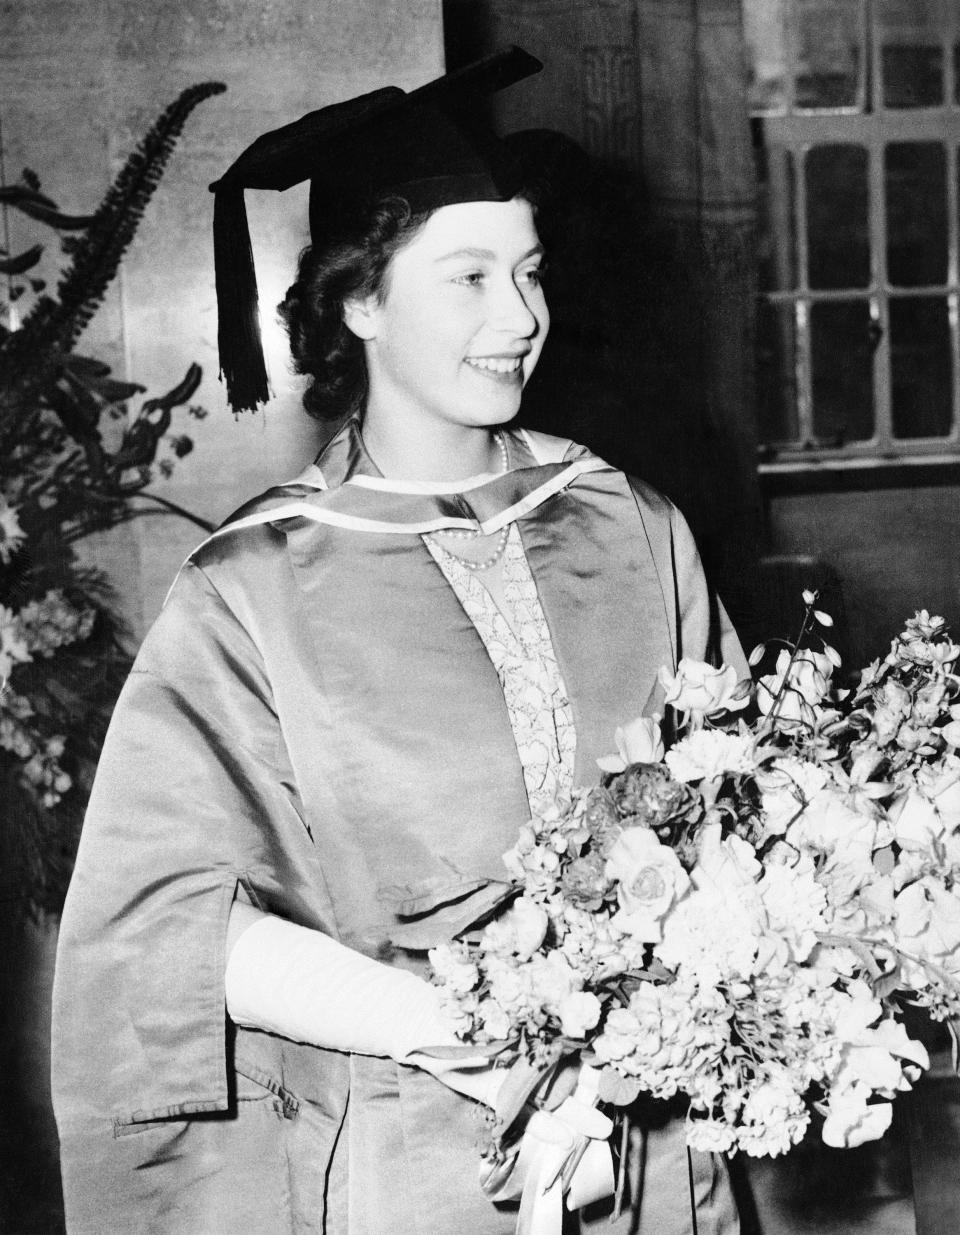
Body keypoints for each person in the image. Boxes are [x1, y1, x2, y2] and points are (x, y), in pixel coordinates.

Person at [51, 48, 745, 1234]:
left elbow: (746, 815)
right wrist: (459, 1031)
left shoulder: (632, 525)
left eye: (528, 272)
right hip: (424, 1169)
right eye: (468, 276)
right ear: (360, 300)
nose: (520, 316)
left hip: (654, 1156)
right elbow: (160, 923)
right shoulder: (254, 590)